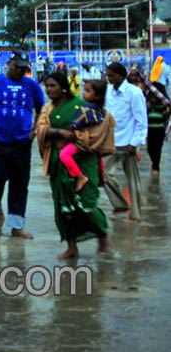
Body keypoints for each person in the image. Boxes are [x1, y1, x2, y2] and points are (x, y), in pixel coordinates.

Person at [36, 72, 111, 259]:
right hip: (58, 161)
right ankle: (72, 247)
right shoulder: (48, 109)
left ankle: (102, 235)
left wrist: (79, 139)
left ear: (63, 87)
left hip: (85, 161)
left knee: (86, 203)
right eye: (47, 86)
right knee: (63, 206)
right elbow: (40, 129)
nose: (49, 89)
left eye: (53, 85)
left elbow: (101, 126)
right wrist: (60, 132)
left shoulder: (83, 106)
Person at [0, 50, 45, 238]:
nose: (19, 71)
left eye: (23, 68)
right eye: (16, 66)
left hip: (22, 143)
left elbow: (41, 109)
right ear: (9, 64)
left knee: (19, 184)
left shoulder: (32, 86)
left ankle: (17, 226)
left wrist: (34, 132)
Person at [101, 62, 148, 222]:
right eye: (107, 75)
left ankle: (135, 215)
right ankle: (120, 205)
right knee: (103, 174)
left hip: (129, 143)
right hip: (111, 142)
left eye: (111, 75)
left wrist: (135, 143)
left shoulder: (134, 93)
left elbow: (141, 120)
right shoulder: (108, 92)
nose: (108, 78)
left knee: (133, 180)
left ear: (121, 75)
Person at [57, 80, 113, 192]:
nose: (84, 93)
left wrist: (66, 135)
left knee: (64, 155)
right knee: (98, 157)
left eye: (87, 91)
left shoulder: (85, 110)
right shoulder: (103, 111)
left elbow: (75, 124)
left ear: (96, 96)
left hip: (83, 143)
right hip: (97, 143)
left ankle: (79, 176)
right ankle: (102, 175)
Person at [146, 82, 170, 177]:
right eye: (151, 97)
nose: (153, 99)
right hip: (150, 130)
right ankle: (154, 161)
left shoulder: (162, 106)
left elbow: (166, 117)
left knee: (158, 148)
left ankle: (156, 166)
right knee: (149, 148)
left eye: (155, 97)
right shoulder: (147, 106)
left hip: (159, 130)